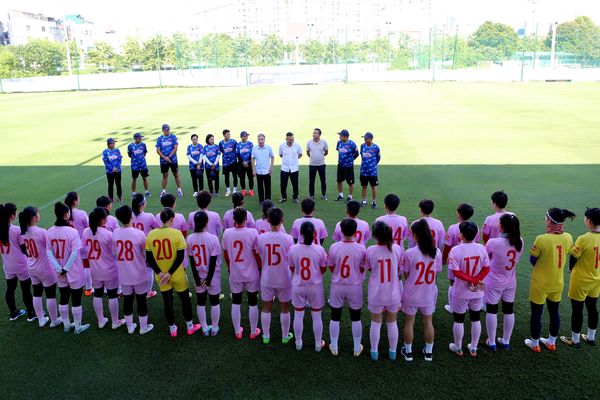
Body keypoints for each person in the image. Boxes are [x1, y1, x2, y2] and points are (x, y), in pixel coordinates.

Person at [525, 208, 575, 352]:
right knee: (554, 312)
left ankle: (534, 344)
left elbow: (532, 260)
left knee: (536, 313)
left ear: (549, 220)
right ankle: (551, 342)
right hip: (557, 283)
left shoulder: (542, 239)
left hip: (540, 283)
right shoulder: (568, 237)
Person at [146, 208, 201, 337]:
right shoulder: (176, 233)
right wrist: (170, 273)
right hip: (177, 274)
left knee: (167, 301)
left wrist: (160, 273)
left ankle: (172, 329)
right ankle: (189, 326)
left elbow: (149, 258)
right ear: (171, 219)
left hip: (161, 277)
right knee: (185, 300)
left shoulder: (151, 234)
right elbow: (180, 256)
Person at [401, 219, 442, 362]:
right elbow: (437, 271)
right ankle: (429, 352)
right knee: (428, 322)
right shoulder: (436, 252)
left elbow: (406, 275)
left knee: (409, 322)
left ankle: (408, 352)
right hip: (429, 293)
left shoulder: (409, 252)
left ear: (415, 235)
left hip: (412, 292)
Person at [46, 202, 90, 334]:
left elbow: (49, 253)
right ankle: (77, 326)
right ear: (66, 215)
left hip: (59, 271)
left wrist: (59, 269)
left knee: (64, 296)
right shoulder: (72, 231)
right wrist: (66, 268)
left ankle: (66, 324)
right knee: (76, 299)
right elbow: (75, 252)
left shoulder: (49, 231)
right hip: (74, 270)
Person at [448, 221, 490, 357]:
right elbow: (486, 268)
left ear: (461, 234)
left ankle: (458, 347)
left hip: (460, 291)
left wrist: (472, 280)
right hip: (476, 291)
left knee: (459, 319)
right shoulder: (481, 247)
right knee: (475, 318)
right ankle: (473, 348)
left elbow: (456, 272)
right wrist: (476, 281)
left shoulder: (456, 250)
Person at [561, 208, 600, 348]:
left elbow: (574, 256)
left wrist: (571, 268)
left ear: (589, 221)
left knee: (577, 310)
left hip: (580, 280)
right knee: (592, 308)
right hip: (596, 280)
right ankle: (590, 338)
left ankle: (575, 340)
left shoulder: (583, 239)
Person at [327, 218, 367, 357]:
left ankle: (334, 345)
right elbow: (362, 268)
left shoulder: (334, 247)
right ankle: (356, 348)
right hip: (354, 286)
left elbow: (331, 266)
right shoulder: (362, 248)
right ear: (356, 231)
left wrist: (339, 274)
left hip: (337, 285)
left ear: (341, 231)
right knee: (356, 317)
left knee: (335, 316)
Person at [484, 214, 524, 351]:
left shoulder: (493, 242)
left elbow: (485, 258)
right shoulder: (520, 242)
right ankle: (506, 340)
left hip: (493, 281)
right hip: (510, 281)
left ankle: (492, 341)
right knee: (508, 310)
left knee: (492, 311)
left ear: (502, 227)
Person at [256, 208, 295, 344]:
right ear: (282, 221)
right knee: (285, 309)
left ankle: (266, 336)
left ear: (268, 220)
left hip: (267, 277)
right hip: (284, 278)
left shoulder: (261, 238)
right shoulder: (289, 239)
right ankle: (285, 337)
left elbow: (259, 255)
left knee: (266, 308)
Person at [113, 205, 154, 335]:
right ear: (131, 216)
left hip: (124, 274)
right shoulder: (139, 233)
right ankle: (143, 327)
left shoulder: (115, 233)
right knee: (141, 300)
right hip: (139, 272)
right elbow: (147, 254)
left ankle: (130, 327)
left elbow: (115, 253)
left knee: (128, 300)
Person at [222, 208, 261, 340]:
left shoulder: (227, 233)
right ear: (247, 219)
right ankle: (253, 331)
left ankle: (238, 331)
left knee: (236, 302)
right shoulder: (253, 232)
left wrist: (229, 267)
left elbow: (226, 254)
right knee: (253, 302)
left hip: (235, 273)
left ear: (233, 219)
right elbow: (257, 254)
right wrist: (260, 269)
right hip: (252, 273)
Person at [289, 221, 328, 352]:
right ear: (314, 234)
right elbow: (323, 269)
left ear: (300, 234)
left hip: (298, 285)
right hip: (315, 286)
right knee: (316, 316)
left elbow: (292, 267)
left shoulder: (293, 248)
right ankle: (318, 344)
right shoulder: (320, 249)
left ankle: (298, 343)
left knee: (298, 314)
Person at [366, 221, 403, 361]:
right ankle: (392, 352)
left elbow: (369, 268)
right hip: (393, 293)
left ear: (374, 235)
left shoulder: (370, 250)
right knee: (392, 323)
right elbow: (399, 269)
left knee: (376, 323)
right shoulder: (397, 248)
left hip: (376, 293)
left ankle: (374, 352)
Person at [83, 208, 124, 330]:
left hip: (94, 269)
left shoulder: (86, 232)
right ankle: (115, 321)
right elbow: (115, 253)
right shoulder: (109, 235)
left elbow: (84, 249)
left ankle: (101, 320)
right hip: (109, 269)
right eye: (106, 217)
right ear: (102, 220)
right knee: (112, 295)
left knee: (98, 294)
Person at [19, 206, 60, 327]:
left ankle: (41, 319)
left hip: (31, 267)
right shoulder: (41, 231)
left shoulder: (23, 232)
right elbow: (51, 249)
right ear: (34, 217)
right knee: (50, 295)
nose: (39, 215)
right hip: (45, 268)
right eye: (38, 214)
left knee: (36, 293)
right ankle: (54, 320)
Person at [187, 211, 222, 337]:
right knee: (214, 302)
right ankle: (215, 328)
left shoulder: (190, 238)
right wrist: (208, 279)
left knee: (200, 302)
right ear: (207, 222)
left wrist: (197, 279)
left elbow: (192, 262)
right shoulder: (213, 238)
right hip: (212, 276)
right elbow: (213, 262)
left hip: (199, 276)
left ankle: (204, 329)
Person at [442, 203, 479, 314]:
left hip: (455, 258)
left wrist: (444, 259)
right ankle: (466, 303)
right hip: (470, 258)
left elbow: (448, 246)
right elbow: (476, 243)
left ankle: (452, 306)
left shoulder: (453, 228)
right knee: (468, 279)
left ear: (459, 214)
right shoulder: (475, 227)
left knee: (453, 283)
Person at [1, 203, 35, 321]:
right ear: (11, 216)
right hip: (21, 265)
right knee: (26, 290)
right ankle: (31, 313)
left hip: (8, 265)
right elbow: (24, 249)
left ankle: (14, 312)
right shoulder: (16, 230)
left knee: (10, 289)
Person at [131, 193, 158, 299]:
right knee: (149, 269)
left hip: (132, 246)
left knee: (135, 268)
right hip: (146, 247)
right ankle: (148, 292)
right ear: (142, 204)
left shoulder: (129, 215)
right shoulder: (149, 216)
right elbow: (155, 229)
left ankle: (136, 289)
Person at [65, 192, 91, 296]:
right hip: (82, 244)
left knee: (75, 265)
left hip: (70, 245)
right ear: (75, 201)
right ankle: (88, 288)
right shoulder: (81, 213)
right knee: (86, 265)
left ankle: (78, 284)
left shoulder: (66, 213)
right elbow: (88, 227)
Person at [154, 194, 188, 268]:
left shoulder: (157, 216)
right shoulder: (180, 216)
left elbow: (156, 232)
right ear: (173, 204)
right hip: (178, 248)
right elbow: (184, 234)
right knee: (181, 272)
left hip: (164, 250)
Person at [156, 123, 183, 198]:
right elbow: (158, 150)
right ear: (162, 130)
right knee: (165, 175)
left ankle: (179, 189)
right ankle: (164, 191)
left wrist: (169, 157)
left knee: (176, 174)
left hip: (173, 160)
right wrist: (165, 158)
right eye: (165, 130)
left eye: (168, 129)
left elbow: (175, 148)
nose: (167, 131)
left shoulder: (173, 137)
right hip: (163, 160)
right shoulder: (160, 138)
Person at [335, 129, 359, 202]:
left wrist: (350, 160)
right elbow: (338, 151)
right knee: (339, 181)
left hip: (349, 166)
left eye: (341, 136)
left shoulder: (352, 144)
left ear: (346, 136)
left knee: (350, 182)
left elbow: (357, 154)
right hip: (341, 165)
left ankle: (350, 196)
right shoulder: (339, 143)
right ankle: (340, 195)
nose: (339, 137)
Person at [278, 131, 302, 204]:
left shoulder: (297, 145)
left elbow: (300, 154)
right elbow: (281, 154)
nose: (291, 141)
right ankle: (283, 197)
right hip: (284, 168)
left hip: (294, 168)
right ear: (286, 138)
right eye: (290, 139)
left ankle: (295, 197)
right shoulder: (282, 146)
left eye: (292, 139)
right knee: (283, 184)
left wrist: (294, 160)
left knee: (295, 184)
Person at [251, 133, 274, 206]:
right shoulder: (254, 148)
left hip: (267, 171)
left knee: (268, 187)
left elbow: (272, 157)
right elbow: (252, 159)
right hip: (259, 171)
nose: (260, 141)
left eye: (262, 139)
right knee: (260, 187)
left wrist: (271, 167)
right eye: (259, 139)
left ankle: (268, 201)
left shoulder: (268, 148)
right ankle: (261, 201)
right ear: (257, 140)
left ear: (264, 140)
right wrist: (254, 170)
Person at [359, 132, 380, 209]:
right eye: (364, 138)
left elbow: (378, 157)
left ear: (371, 139)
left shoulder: (376, 147)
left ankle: (374, 201)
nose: (365, 140)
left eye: (366, 139)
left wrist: (373, 165)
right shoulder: (362, 146)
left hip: (372, 172)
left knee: (373, 187)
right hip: (363, 170)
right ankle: (364, 201)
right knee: (364, 186)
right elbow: (362, 155)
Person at [306, 128, 328, 200]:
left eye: (316, 133)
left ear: (319, 135)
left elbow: (326, 152)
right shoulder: (309, 142)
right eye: (313, 133)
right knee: (311, 181)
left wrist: (320, 157)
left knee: (323, 180)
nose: (314, 134)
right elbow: (308, 152)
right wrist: (313, 157)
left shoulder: (324, 142)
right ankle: (311, 195)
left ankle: (324, 195)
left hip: (321, 164)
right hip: (312, 165)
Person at [127, 132, 151, 198]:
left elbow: (145, 153)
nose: (141, 139)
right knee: (134, 179)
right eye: (139, 138)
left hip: (143, 165)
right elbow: (129, 155)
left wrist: (141, 159)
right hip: (135, 166)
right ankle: (133, 193)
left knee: (145, 178)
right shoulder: (130, 146)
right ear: (135, 138)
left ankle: (146, 192)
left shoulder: (143, 145)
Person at [102, 138, 123, 202]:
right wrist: (112, 168)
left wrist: (117, 167)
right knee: (110, 185)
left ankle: (119, 197)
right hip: (110, 171)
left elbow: (120, 159)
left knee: (118, 184)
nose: (114, 144)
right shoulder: (105, 152)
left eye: (114, 143)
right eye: (112, 143)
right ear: (109, 144)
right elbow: (105, 162)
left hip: (117, 170)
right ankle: (111, 198)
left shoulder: (117, 150)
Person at [219, 129, 238, 197]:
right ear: (224, 135)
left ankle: (235, 190)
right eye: (227, 134)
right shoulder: (221, 143)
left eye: (229, 134)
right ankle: (228, 191)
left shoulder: (234, 142)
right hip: (225, 163)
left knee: (235, 176)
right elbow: (221, 151)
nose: (228, 135)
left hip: (233, 162)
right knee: (226, 177)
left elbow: (237, 150)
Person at [236, 131, 254, 197]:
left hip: (249, 163)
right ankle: (243, 190)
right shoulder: (238, 144)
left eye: (247, 135)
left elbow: (252, 154)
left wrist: (248, 161)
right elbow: (237, 154)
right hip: (241, 164)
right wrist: (243, 162)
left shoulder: (250, 144)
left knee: (250, 177)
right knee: (242, 178)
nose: (246, 137)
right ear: (241, 137)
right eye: (244, 136)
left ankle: (251, 190)